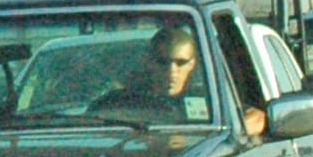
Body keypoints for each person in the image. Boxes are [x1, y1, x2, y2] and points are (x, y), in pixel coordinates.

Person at [97, 26, 264, 135]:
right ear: (149, 61)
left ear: (192, 63)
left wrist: (231, 132)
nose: (172, 70)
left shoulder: (210, 99)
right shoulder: (122, 101)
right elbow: (93, 124)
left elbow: (258, 117)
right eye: (163, 62)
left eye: (181, 62)